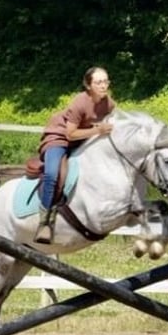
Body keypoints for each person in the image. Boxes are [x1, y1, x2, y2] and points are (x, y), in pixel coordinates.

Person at [34, 66, 116, 244]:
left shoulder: (108, 103)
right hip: (59, 138)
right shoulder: (79, 102)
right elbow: (70, 134)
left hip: (82, 139)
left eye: (106, 81)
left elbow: (112, 122)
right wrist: (98, 129)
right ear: (88, 85)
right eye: (99, 82)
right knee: (52, 174)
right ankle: (45, 222)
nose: (103, 86)